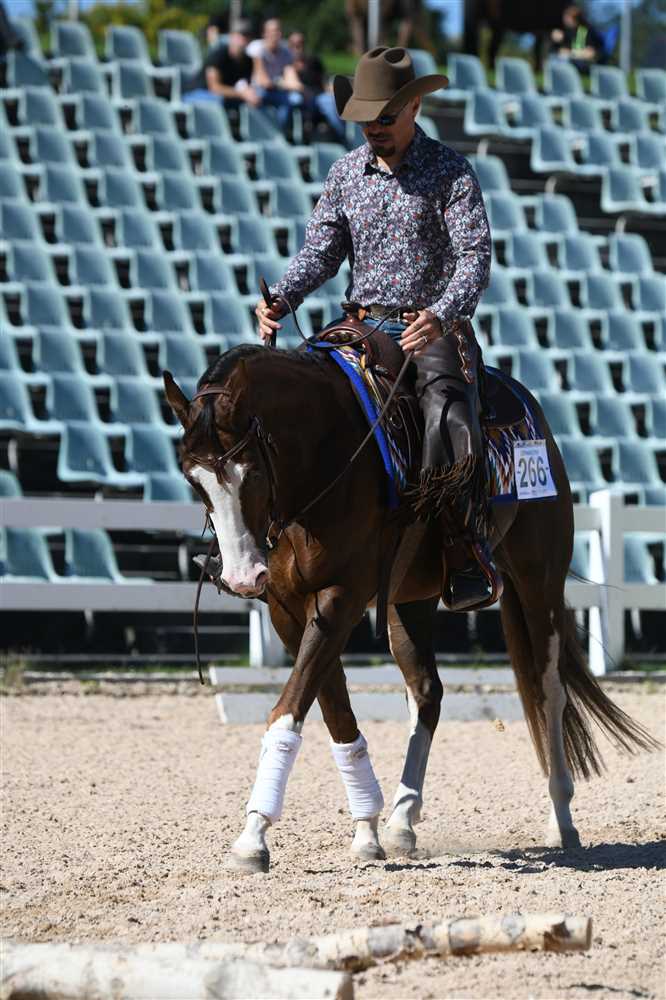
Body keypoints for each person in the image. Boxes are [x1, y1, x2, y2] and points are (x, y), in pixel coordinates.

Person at [256, 47, 501, 612]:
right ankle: (274, 539)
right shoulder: (346, 173)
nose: (374, 128)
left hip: (429, 328)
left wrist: (442, 313)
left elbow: (474, 256)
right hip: (360, 324)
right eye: (365, 118)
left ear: (414, 107)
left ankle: (463, 549)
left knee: (450, 416)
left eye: (385, 117)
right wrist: (283, 296)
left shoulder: (451, 172)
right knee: (297, 397)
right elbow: (321, 251)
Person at [183, 18, 261, 108]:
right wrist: (242, 94)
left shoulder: (248, 60)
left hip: (223, 96)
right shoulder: (218, 54)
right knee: (220, 101)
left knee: (256, 101)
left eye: (248, 36)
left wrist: (251, 94)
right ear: (232, 36)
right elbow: (214, 88)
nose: (244, 39)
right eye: (241, 35)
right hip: (197, 93)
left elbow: (246, 85)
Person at [287, 31, 347, 144]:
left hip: (319, 95)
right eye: (294, 45)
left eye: (300, 44)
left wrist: (331, 91)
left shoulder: (313, 60)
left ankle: (342, 136)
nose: (297, 48)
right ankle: (296, 138)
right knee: (297, 99)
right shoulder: (287, 64)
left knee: (331, 100)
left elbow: (324, 79)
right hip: (303, 97)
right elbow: (291, 84)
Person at [247, 18, 304, 131]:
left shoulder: (285, 52)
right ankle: (262, 131)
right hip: (257, 90)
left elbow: (296, 84)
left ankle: (280, 132)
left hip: (276, 90)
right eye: (273, 31)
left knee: (296, 99)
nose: (276, 34)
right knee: (260, 96)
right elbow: (263, 81)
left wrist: (284, 84)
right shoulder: (256, 48)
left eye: (278, 30)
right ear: (264, 33)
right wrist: (283, 83)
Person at [550, 4, 604, 72]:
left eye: (567, 18)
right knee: (554, 58)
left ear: (574, 19)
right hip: (571, 60)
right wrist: (557, 41)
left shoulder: (583, 31)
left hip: (584, 63)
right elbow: (561, 50)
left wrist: (570, 53)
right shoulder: (567, 31)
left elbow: (589, 53)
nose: (565, 20)